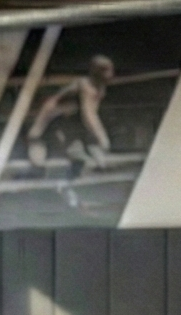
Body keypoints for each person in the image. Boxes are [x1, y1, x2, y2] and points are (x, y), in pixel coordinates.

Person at [26, 55, 115, 207]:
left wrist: (95, 139)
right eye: (105, 70)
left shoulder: (99, 88)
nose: (110, 74)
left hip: (68, 123)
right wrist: (102, 137)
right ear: (95, 71)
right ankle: (60, 189)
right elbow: (88, 115)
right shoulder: (85, 85)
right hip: (50, 124)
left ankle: (66, 188)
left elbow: (89, 115)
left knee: (98, 159)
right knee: (76, 157)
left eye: (110, 70)